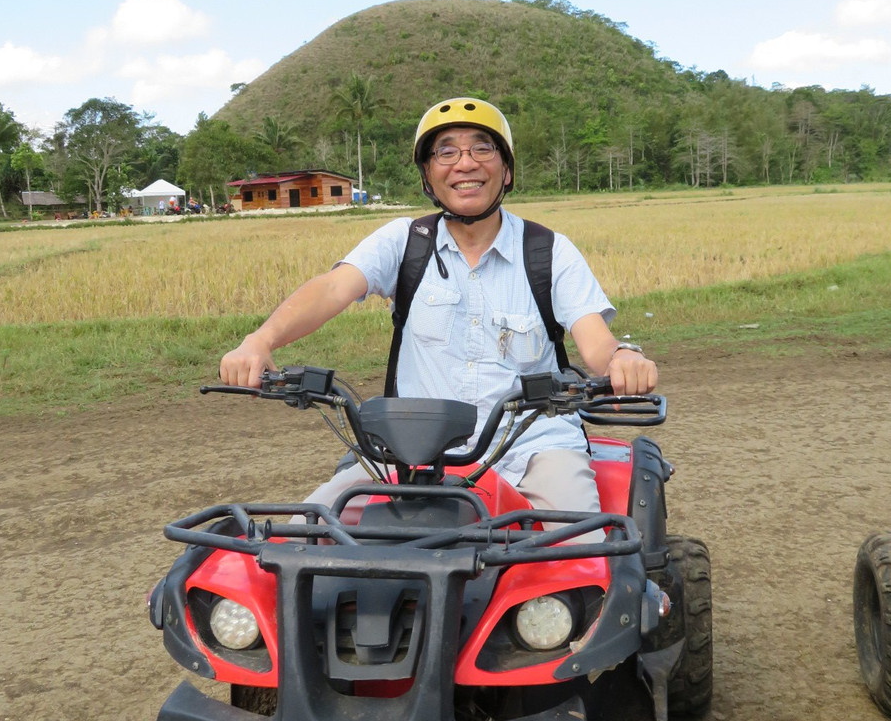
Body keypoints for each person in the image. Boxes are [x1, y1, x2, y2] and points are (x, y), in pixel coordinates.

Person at [219, 97, 657, 535]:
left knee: (580, 552)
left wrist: (621, 359)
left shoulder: (548, 251)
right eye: (446, 152)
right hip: (411, 454)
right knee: (301, 536)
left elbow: (596, 341)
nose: (465, 163)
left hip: (534, 449)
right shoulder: (405, 241)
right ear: (428, 174)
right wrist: (260, 341)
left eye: (482, 148)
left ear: (506, 170)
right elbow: (333, 288)